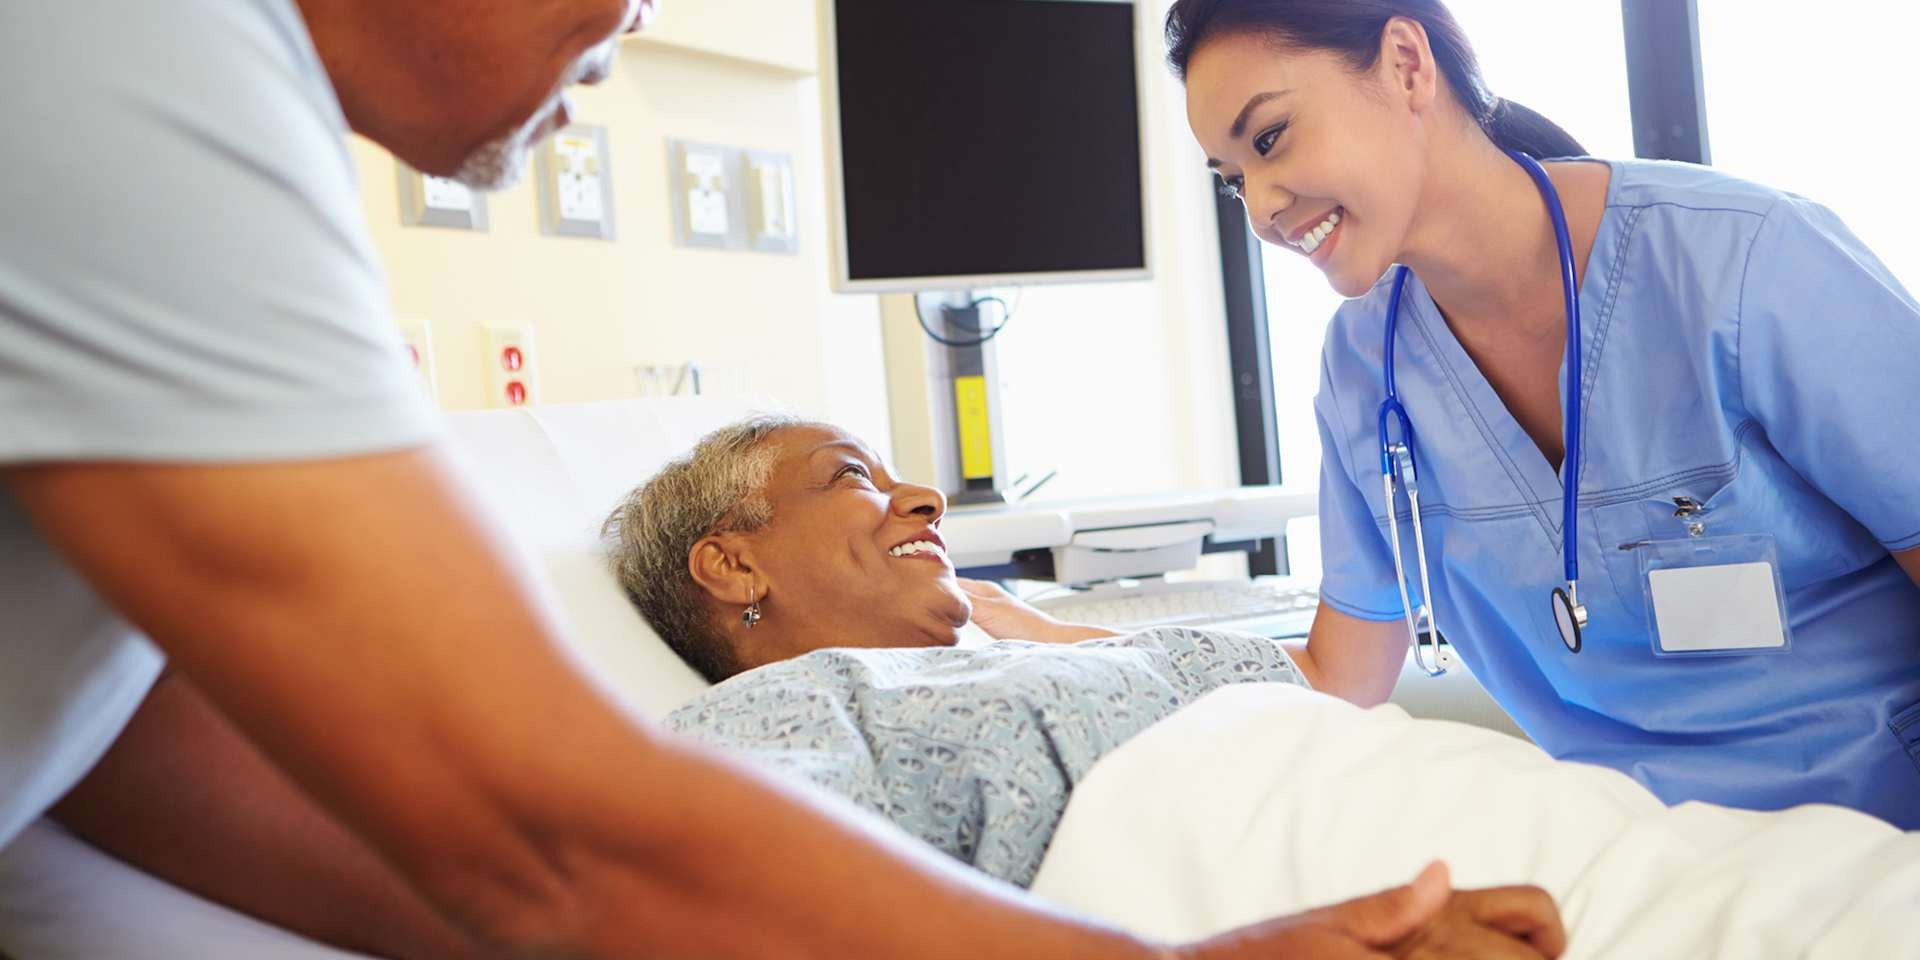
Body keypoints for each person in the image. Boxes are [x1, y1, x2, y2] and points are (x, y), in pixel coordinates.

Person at [0, 3, 1562, 960]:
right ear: (731, 565)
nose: (639, 14)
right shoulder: (128, 49)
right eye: (848, 478)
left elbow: (386, 853)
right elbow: (542, 843)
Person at [1168, 0, 1920, 828]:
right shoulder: (1364, 365)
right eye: (1232, 180)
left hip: (1879, 839)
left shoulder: (1745, 261)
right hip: (1631, 857)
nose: (1261, 207)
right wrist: (1099, 664)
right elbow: (1338, 681)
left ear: (1407, 65)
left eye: (1269, 138)